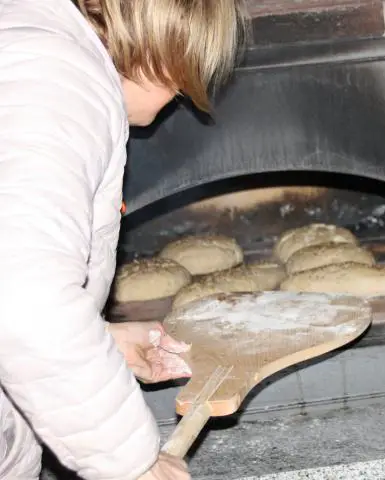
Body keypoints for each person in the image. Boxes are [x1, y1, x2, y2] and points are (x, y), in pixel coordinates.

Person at [0, 0, 244, 478]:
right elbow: (21, 294)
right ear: (157, 41)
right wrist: (130, 462)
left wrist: (100, 340)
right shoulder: (57, 80)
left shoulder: (29, 53)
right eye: (182, 72)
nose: (182, 94)